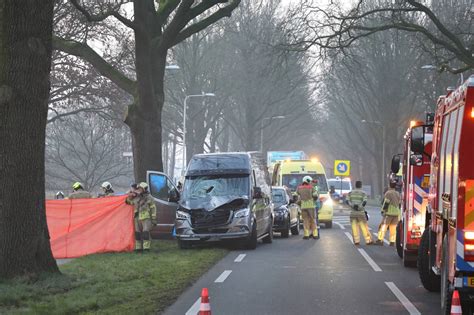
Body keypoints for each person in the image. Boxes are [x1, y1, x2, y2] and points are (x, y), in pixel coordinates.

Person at [126, 182, 157, 252]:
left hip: (146, 218)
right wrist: (130, 195)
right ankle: (138, 248)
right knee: (137, 234)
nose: (138, 189)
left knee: (145, 233)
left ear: (144, 189)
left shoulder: (149, 197)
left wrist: (154, 219)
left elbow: (153, 208)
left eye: (140, 188)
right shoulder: (136, 197)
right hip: (137, 217)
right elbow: (128, 202)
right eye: (138, 188)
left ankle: (146, 248)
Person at [348, 180, 373, 246]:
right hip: (361, 213)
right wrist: (359, 207)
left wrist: (353, 206)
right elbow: (364, 202)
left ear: (355, 185)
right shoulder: (363, 193)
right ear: (361, 185)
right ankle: (368, 241)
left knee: (354, 227)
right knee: (364, 227)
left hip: (353, 213)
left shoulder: (350, 193)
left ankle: (356, 241)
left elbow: (347, 201)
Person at [376, 181, 401, 246]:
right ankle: (392, 242)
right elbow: (399, 203)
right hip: (396, 214)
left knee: (383, 227)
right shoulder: (398, 193)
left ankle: (380, 240)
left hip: (389, 213)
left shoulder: (388, 193)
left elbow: (386, 203)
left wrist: (383, 210)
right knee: (393, 228)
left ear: (389, 185)